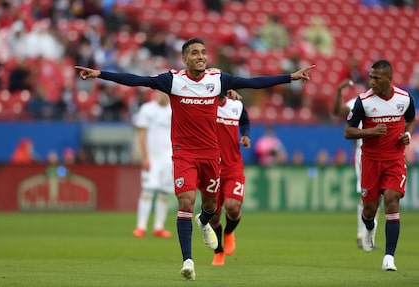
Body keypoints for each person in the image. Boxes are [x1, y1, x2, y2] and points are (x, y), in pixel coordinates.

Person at [75, 37, 315, 281]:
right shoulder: (173, 80)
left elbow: (253, 83)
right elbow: (137, 80)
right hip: (184, 153)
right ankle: (187, 261)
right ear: (184, 58)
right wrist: (98, 74)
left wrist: (291, 77)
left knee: (210, 208)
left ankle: (203, 223)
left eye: (203, 52)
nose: (200, 56)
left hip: (211, 155)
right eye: (195, 53)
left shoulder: (217, 79)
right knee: (186, 202)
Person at [344, 60, 416, 271]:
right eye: (370, 77)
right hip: (371, 161)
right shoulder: (363, 101)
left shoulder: (404, 98)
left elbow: (411, 119)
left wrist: (408, 134)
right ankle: (369, 227)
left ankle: (389, 257)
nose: (371, 81)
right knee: (369, 209)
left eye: (376, 77)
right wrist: (370, 132)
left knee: (392, 200)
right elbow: (348, 131)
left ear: (388, 79)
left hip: (394, 160)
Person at [332, 78, 379, 248]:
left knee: (379, 196)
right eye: (371, 80)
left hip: (385, 153)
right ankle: (363, 235)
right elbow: (337, 110)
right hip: (364, 151)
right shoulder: (359, 102)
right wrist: (339, 91)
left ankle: (368, 236)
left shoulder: (391, 102)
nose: (373, 84)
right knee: (367, 194)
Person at [209, 92, 251, 266]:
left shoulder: (236, 105)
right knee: (213, 215)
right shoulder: (204, 105)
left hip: (232, 166)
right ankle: (218, 252)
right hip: (211, 168)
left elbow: (245, 120)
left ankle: (229, 232)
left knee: (232, 206)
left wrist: (245, 135)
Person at [132, 90, 174, 239]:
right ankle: (141, 227)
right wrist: (145, 157)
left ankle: (159, 227)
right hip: (152, 157)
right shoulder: (147, 109)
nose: (161, 95)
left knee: (164, 193)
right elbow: (141, 134)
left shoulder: (175, 109)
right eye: (159, 92)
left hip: (169, 158)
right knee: (147, 191)